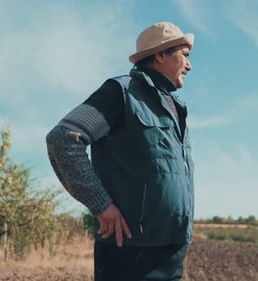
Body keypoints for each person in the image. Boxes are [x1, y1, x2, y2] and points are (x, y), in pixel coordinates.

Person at [46, 21, 195, 281]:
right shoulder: (121, 93)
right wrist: (101, 205)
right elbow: (63, 139)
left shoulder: (175, 107)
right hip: (129, 253)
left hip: (171, 251)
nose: (189, 65)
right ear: (160, 55)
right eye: (184, 55)